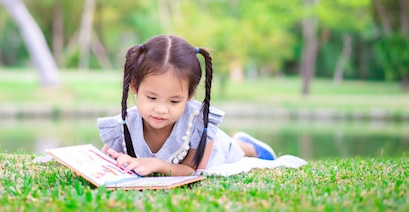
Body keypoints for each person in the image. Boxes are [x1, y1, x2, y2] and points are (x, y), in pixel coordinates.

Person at [97, 34, 277, 177]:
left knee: (232, 148)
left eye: (174, 101)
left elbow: (192, 170)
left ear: (189, 95)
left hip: (214, 149)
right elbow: (103, 158)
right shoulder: (125, 125)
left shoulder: (197, 123)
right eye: (152, 98)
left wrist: (158, 165)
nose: (161, 109)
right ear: (135, 86)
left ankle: (248, 145)